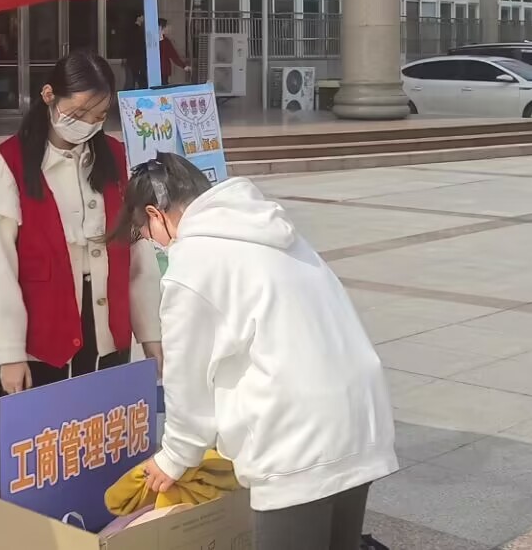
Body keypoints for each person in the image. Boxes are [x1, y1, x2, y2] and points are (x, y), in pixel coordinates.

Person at [114, 154, 397, 550]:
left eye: (147, 234)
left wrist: (174, 456)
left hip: (295, 439)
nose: (155, 243)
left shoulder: (192, 263)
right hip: (359, 418)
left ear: (154, 214)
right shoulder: (275, 232)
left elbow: (187, 379)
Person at [0, 50, 163, 394]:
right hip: (43, 333)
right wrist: (10, 353)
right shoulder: (10, 164)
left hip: (106, 326)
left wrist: (151, 332)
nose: (88, 124)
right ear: (49, 95)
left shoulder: (115, 157)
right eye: (78, 113)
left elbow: (138, 255)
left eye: (99, 115)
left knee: (103, 420)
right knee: (45, 424)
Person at [158, 19, 190, 84]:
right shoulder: (151, 41)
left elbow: (174, 56)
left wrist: (184, 66)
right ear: (160, 27)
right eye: (166, 27)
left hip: (164, 71)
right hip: (154, 71)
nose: (168, 29)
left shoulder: (166, 42)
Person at [122, 15, 147, 89]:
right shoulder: (138, 30)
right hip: (135, 59)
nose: (143, 18)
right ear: (138, 18)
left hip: (132, 59)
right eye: (142, 16)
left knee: (131, 81)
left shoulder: (133, 30)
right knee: (133, 81)